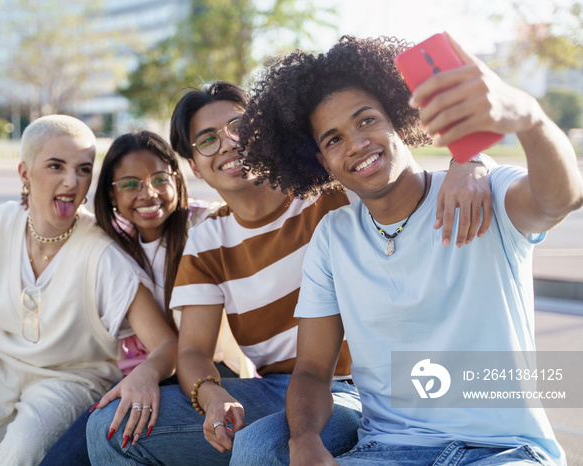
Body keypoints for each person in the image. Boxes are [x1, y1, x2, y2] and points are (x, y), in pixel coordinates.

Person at [87, 81, 495, 465]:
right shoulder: (207, 240)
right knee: (110, 428)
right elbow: (192, 350)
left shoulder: (332, 194)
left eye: (238, 126)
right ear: (194, 165)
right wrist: (212, 396)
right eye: (207, 139)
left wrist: (471, 159)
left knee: (260, 450)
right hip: (273, 391)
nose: (227, 142)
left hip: (358, 389)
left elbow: (404, 173)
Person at [240, 34, 582, 465]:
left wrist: (529, 118)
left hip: (504, 449)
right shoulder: (334, 236)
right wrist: (305, 438)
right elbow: (311, 369)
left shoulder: (481, 190)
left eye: (366, 120)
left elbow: (560, 198)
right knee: (257, 452)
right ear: (323, 163)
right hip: (388, 451)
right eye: (333, 139)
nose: (357, 143)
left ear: (398, 120)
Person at [0, 115, 177, 465]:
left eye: (83, 169)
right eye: (56, 166)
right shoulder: (0, 224)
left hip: (72, 378)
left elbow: (166, 344)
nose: (72, 181)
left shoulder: (103, 254)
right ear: (24, 173)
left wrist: (145, 374)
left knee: (19, 454)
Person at [41, 130, 249, 465]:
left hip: (214, 374)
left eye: (158, 179)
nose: (147, 193)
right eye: (129, 184)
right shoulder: (113, 244)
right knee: (65, 457)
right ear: (111, 193)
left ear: (177, 180)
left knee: (110, 433)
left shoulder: (206, 224)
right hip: (149, 373)